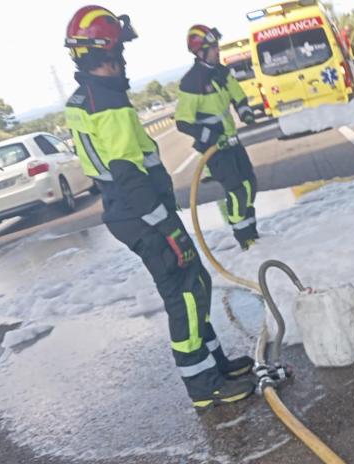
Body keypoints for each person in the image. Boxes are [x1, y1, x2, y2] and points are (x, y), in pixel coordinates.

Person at [63, 6, 255, 410]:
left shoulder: (86, 97)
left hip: (134, 214)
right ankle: (203, 385)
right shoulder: (108, 102)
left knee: (195, 282)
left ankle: (215, 363)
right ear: (107, 52)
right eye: (121, 51)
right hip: (144, 216)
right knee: (184, 293)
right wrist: (166, 227)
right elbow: (127, 172)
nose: (125, 60)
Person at [176, 24, 259, 250]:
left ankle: (253, 232)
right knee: (236, 192)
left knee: (250, 184)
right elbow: (183, 122)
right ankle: (244, 239)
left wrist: (246, 112)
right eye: (212, 48)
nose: (217, 51)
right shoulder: (191, 83)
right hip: (215, 149)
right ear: (199, 52)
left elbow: (238, 96)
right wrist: (211, 137)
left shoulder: (221, 72)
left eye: (216, 46)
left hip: (232, 141)